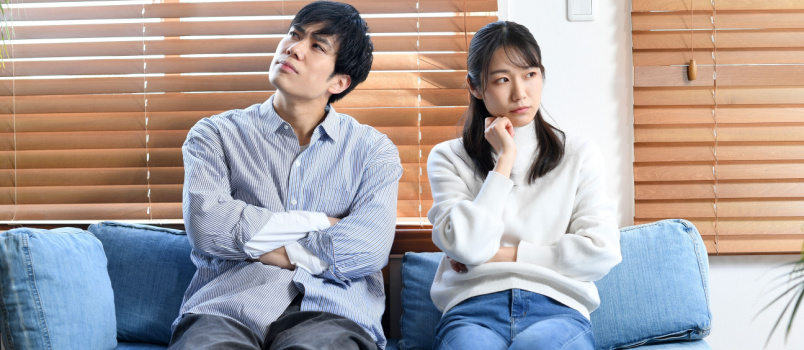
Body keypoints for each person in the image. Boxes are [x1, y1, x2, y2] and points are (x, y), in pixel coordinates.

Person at [169, 2, 402, 349]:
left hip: (333, 312)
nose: (293, 48)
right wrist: (322, 223)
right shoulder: (214, 134)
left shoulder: (373, 151)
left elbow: (367, 248)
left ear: (339, 82)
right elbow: (208, 225)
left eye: (316, 45)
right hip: (227, 309)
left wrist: (258, 244)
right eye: (294, 35)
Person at [426, 21, 622, 350]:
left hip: (558, 309)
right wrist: (505, 160)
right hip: (474, 309)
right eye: (502, 80)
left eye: (530, 74)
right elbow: (469, 246)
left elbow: (600, 252)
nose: (520, 93)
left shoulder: (579, 154)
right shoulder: (448, 157)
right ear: (475, 87)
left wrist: (499, 256)